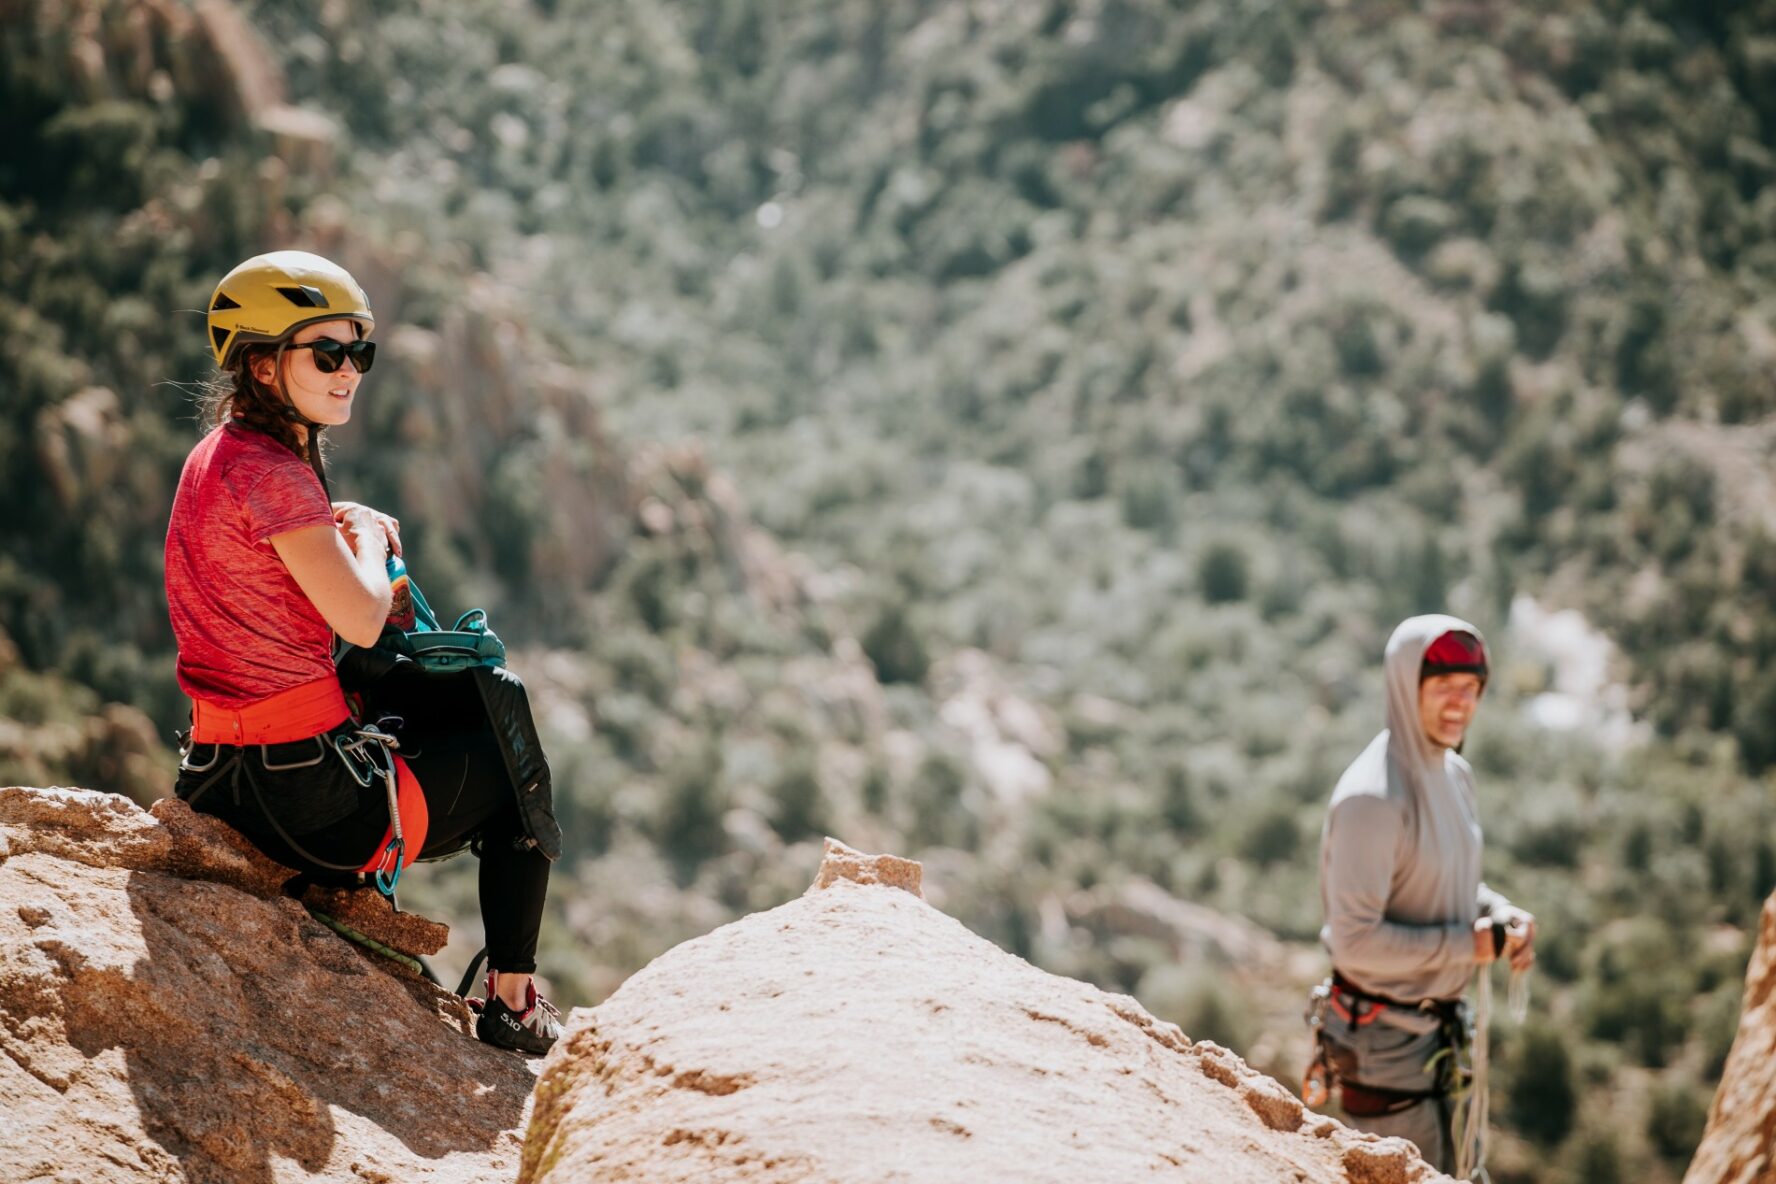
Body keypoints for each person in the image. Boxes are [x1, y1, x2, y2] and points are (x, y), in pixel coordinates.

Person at [165, 250, 564, 1054]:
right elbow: (360, 616)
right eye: (327, 353)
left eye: (359, 352)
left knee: (453, 709)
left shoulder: (219, 457)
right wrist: (373, 537)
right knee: (510, 765)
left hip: (215, 775)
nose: (349, 371)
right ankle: (514, 1002)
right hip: (307, 805)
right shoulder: (279, 476)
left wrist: (330, 521)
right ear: (263, 364)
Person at [1312, 614, 1535, 1172]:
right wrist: (1467, 945)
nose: (1461, 702)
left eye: (1471, 687)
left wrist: (1497, 914)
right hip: (1385, 1048)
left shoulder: (1454, 774)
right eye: (1443, 687)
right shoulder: (1372, 800)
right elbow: (1354, 942)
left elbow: (1446, 877)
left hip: (1436, 1036)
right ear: (1404, 688)